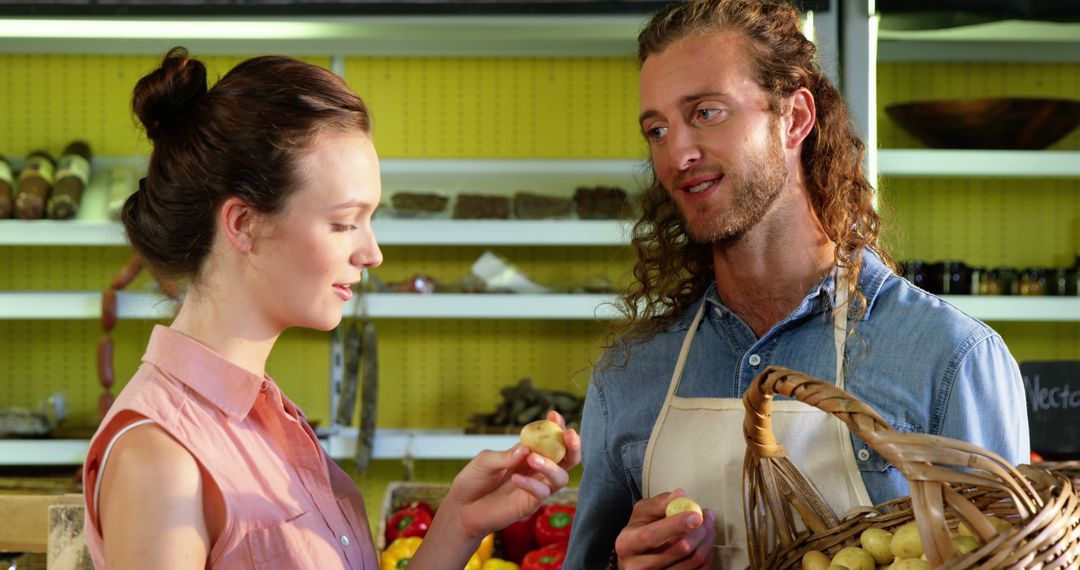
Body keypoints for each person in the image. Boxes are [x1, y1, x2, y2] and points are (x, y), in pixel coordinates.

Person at [564, 1, 1030, 568]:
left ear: (795, 117)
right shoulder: (630, 376)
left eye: (707, 112)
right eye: (657, 130)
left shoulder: (951, 359)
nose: (677, 154)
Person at [81, 47, 581, 569]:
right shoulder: (162, 461)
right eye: (345, 222)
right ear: (243, 224)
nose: (372, 253)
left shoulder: (270, 419)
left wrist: (459, 520)